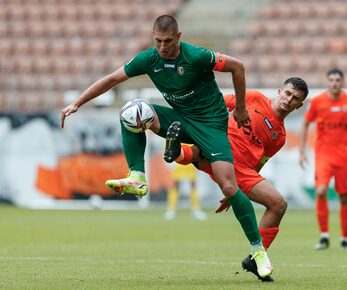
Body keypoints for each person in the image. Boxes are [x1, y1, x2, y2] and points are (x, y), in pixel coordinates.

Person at [60, 15, 272, 278]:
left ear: (179, 37)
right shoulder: (148, 59)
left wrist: (240, 109)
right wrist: (77, 103)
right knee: (132, 112)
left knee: (229, 186)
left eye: (168, 41)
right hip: (180, 119)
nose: (162, 47)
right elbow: (113, 79)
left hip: (211, 125)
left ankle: (258, 250)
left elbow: (237, 67)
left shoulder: (196, 56)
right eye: (158, 41)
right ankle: (137, 176)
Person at [164, 78, 309, 281]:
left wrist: (235, 191)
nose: (288, 99)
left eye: (295, 98)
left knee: (278, 204)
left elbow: (260, 163)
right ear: (279, 91)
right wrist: (206, 128)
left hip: (240, 171)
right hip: (220, 148)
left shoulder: (280, 136)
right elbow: (219, 104)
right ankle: (176, 150)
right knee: (201, 151)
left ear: (299, 105)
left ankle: (256, 258)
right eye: (287, 93)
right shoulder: (255, 98)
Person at [298, 68, 347, 251]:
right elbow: (304, 124)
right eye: (331, 80)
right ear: (327, 82)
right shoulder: (318, 101)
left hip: (344, 156)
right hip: (324, 155)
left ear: (342, 82)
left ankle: (344, 238)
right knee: (320, 191)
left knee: (344, 197)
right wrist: (302, 151)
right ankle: (324, 235)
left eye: (337, 80)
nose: (334, 83)